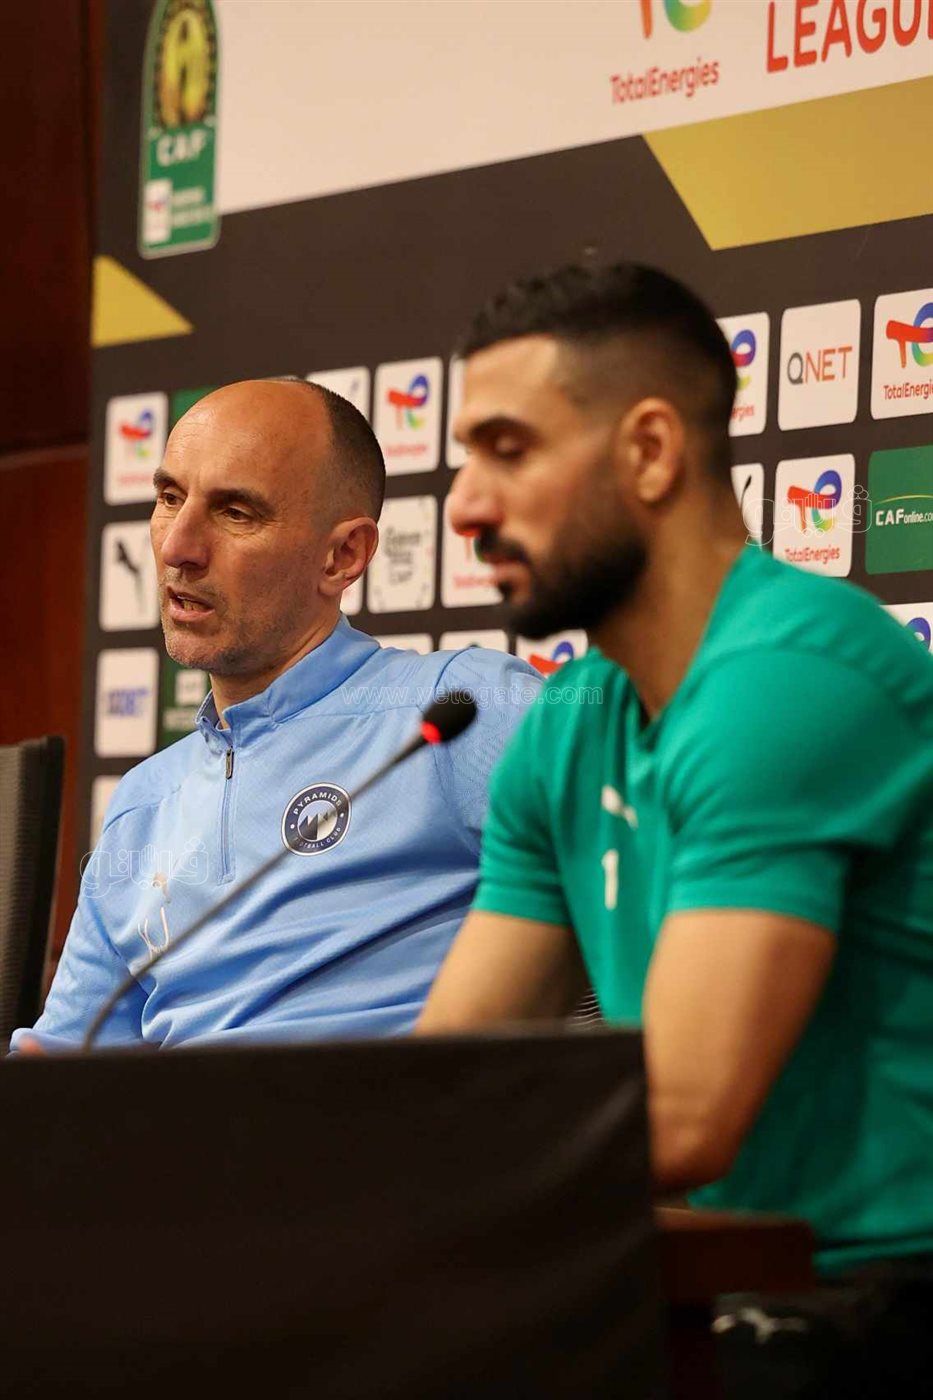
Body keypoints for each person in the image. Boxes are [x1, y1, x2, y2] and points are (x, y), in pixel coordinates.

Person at [417, 263, 933, 1395]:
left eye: (508, 450)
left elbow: (687, 1118)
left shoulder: (790, 678)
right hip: (714, 1286)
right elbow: (451, 1070)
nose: (463, 504)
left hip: (880, 1293)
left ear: (650, 451)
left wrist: (418, 1165)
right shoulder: (566, 724)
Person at [13, 379, 540, 1051]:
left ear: (342, 556)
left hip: (396, 1113)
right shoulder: (143, 801)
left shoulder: (461, 710)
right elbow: (64, 1062)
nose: (178, 547)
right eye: (169, 498)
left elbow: (642, 900)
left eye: (235, 512)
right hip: (165, 1120)